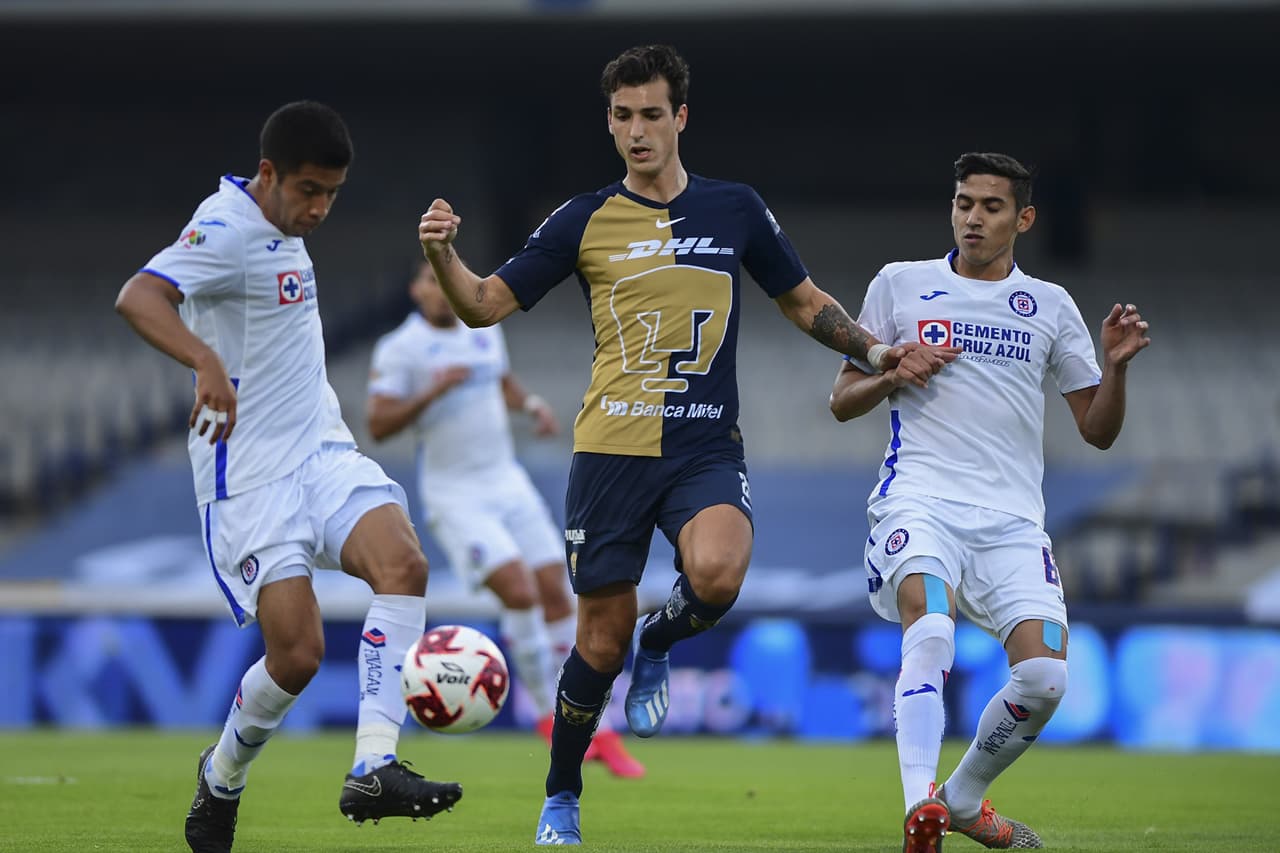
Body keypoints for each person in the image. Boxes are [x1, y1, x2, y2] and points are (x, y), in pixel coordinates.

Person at [416, 44, 953, 846]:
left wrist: (876, 352)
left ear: (681, 118)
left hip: (705, 447)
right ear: (609, 121)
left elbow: (803, 301)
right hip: (609, 454)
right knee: (597, 638)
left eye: (652, 115)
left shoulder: (734, 207)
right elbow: (485, 304)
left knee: (719, 573)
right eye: (623, 116)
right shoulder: (582, 219)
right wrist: (441, 255)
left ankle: (660, 639)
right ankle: (562, 795)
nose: (638, 131)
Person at [114, 101, 462, 853]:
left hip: (321, 451)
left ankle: (373, 764)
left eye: (331, 193)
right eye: (307, 190)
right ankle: (223, 774)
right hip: (249, 477)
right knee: (297, 655)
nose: (319, 208)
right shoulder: (226, 226)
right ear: (267, 173)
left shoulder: (281, 224)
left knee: (404, 561)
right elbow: (139, 296)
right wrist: (204, 361)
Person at [829, 152, 1151, 851]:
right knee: (932, 629)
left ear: (1024, 218)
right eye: (963, 202)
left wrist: (1116, 370)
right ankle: (921, 809)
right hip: (919, 498)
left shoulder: (1052, 307)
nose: (973, 217)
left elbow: (1096, 430)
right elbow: (841, 401)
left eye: (992, 206)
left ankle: (964, 797)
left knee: (1043, 677)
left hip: (1011, 522)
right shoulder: (900, 285)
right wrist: (890, 372)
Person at [365, 260, 645, 778]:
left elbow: (501, 379)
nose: (440, 292)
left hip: (507, 482)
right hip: (456, 495)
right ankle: (548, 716)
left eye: (443, 280)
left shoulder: (483, 330)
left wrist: (531, 403)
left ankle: (594, 729)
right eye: (429, 281)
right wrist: (433, 390)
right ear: (417, 289)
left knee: (560, 591)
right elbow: (378, 423)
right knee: (519, 591)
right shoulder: (401, 348)